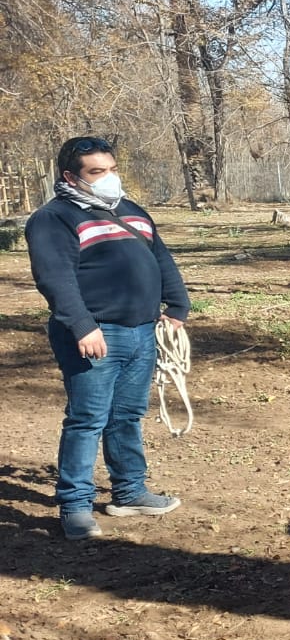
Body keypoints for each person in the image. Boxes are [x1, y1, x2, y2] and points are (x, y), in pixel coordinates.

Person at [26, 136, 188, 541]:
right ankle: (75, 506)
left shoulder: (130, 211)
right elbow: (55, 278)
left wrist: (177, 306)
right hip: (96, 334)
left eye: (111, 170)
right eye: (97, 172)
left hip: (142, 332)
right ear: (70, 177)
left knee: (127, 416)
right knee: (86, 420)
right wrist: (82, 326)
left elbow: (160, 258)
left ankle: (130, 491)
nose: (109, 179)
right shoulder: (54, 218)